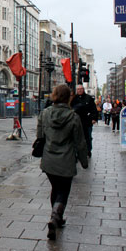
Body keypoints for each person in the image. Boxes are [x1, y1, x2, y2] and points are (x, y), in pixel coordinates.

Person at [36, 84, 88, 241]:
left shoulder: (44, 114)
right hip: (66, 160)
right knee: (63, 191)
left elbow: (40, 137)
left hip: (49, 160)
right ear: (69, 97)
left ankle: (57, 217)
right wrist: (84, 161)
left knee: (55, 189)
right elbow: (80, 142)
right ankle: (55, 216)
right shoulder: (73, 117)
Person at [70, 84, 98, 157]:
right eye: (78, 89)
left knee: (88, 137)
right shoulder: (74, 99)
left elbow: (93, 109)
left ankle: (88, 150)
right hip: (76, 121)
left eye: (81, 89)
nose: (79, 90)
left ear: (83, 89)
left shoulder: (89, 98)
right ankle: (77, 151)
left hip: (87, 121)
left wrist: (94, 118)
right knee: (76, 137)